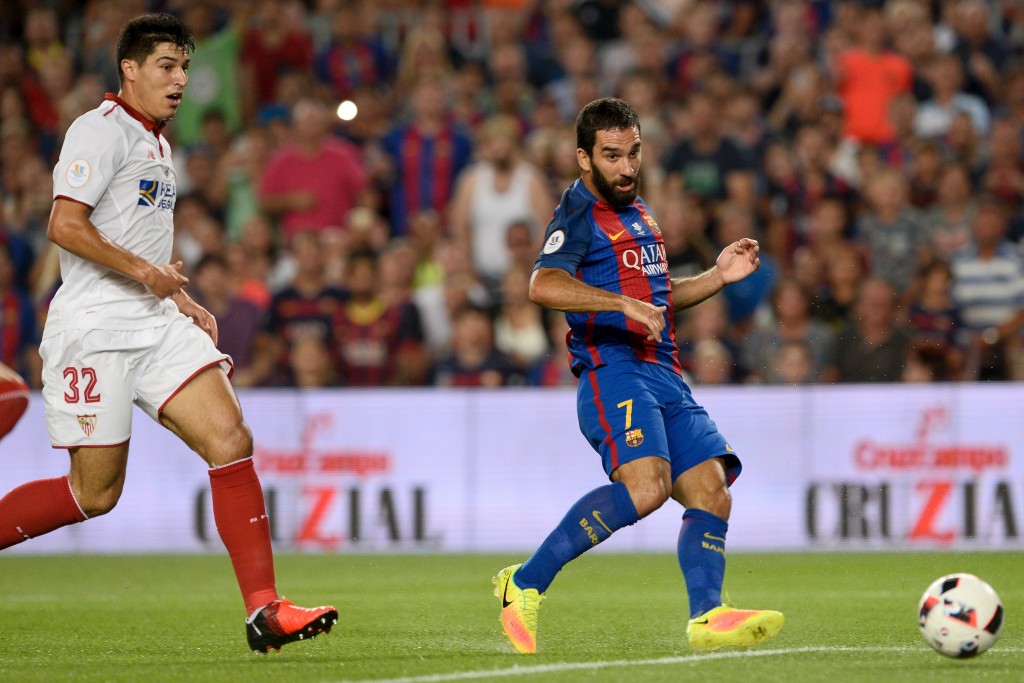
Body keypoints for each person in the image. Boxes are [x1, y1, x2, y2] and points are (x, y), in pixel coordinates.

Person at [0, 14, 336, 653]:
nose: (181, 79)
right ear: (129, 69)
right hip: (95, 327)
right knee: (94, 494)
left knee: (231, 437)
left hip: (153, 322)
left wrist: (179, 296)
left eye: (184, 66)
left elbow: (137, 238)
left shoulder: (157, 144)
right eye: (167, 66)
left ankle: (264, 611)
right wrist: (148, 274)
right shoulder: (98, 131)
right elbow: (64, 226)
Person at [492, 98, 783, 655]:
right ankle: (523, 582)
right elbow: (543, 284)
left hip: (664, 371)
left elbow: (659, 299)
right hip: (613, 368)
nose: (627, 167)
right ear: (584, 158)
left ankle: (707, 616)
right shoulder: (578, 212)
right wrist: (621, 306)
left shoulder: (639, 210)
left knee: (711, 491)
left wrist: (718, 276)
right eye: (611, 156)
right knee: (646, 487)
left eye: (634, 153)